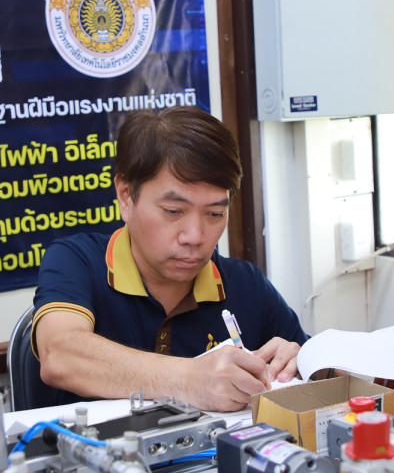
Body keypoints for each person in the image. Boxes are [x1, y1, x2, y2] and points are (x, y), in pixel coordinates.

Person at [32, 107, 307, 412]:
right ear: (125, 195)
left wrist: (303, 361)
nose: (194, 236)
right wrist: (187, 380)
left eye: (215, 214)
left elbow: (318, 367)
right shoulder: (78, 262)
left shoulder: (245, 284)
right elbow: (60, 354)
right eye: (173, 211)